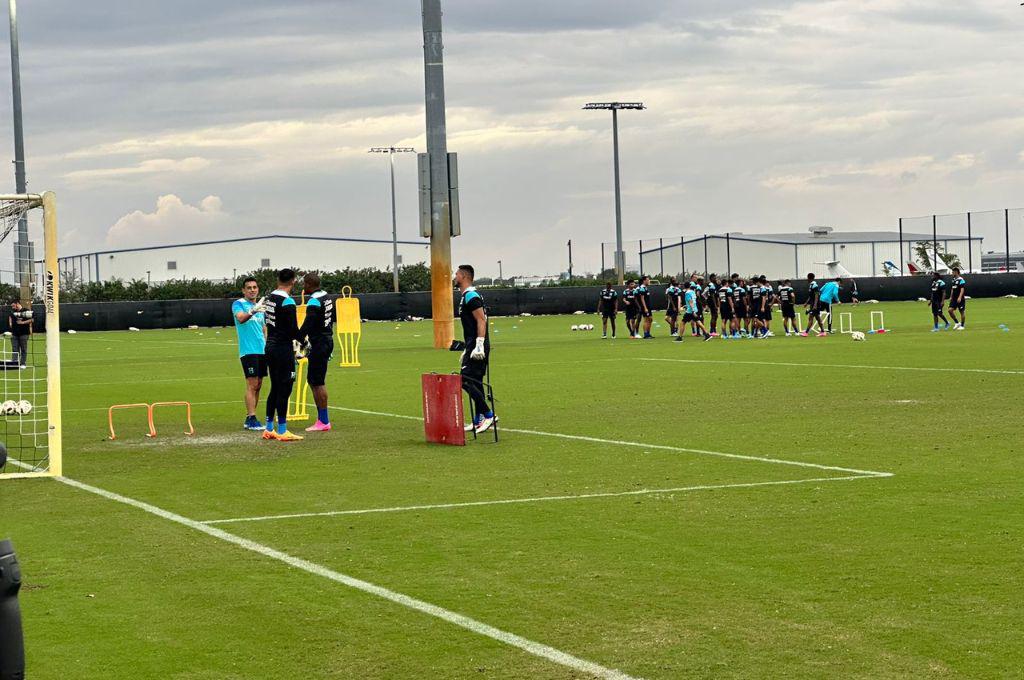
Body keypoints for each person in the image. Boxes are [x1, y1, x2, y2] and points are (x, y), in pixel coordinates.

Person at [262, 268, 304, 441]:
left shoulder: (270, 297)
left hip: (270, 346)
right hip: (282, 349)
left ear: (278, 279)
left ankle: (269, 427)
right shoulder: (287, 302)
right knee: (285, 387)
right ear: (293, 281)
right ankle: (282, 430)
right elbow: (293, 330)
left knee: (275, 387)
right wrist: (306, 343)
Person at [455, 264, 495, 434]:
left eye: (456, 274)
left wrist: (479, 345)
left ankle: (488, 414)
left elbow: (481, 320)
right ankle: (478, 420)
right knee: (476, 381)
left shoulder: (471, 295)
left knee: (464, 380)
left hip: (477, 345)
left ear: (463, 277)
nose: (454, 276)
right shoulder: (465, 296)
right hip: (472, 344)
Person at [299, 272, 335, 432]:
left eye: (304, 284)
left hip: (320, 343)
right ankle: (322, 419)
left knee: (316, 381)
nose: (303, 287)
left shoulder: (314, 301)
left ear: (308, 285)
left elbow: (309, 323)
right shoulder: (326, 296)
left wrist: (297, 337)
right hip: (326, 340)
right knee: (315, 380)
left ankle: (323, 421)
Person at [232, 278, 267, 431]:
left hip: (262, 350)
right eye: (249, 288)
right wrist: (252, 311)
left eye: (254, 287)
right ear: (243, 290)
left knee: (258, 384)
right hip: (248, 351)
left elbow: (264, 328)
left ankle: (250, 417)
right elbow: (241, 318)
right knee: (252, 384)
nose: (252, 290)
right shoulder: (238, 304)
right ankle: (252, 418)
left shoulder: (259, 306)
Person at [8, 300, 32, 368]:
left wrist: (23, 322)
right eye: (12, 306)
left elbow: (32, 320)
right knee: (15, 349)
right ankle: (14, 363)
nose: (12, 307)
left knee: (23, 349)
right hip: (14, 334)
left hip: (24, 333)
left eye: (13, 306)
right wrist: (10, 323)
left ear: (17, 304)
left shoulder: (26, 311)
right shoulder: (12, 312)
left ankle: (23, 364)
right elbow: (10, 317)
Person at [803, 273, 825, 337]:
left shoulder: (814, 285)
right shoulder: (811, 285)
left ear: (809, 278)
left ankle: (806, 332)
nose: (807, 279)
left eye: (807, 278)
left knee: (811, 317)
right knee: (817, 318)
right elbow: (811, 296)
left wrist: (815, 305)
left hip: (815, 304)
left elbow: (816, 295)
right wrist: (806, 303)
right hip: (813, 304)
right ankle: (823, 332)